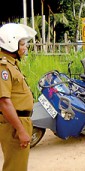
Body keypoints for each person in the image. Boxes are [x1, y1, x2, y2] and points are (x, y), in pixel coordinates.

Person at [0, 23, 37, 171]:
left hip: (19, 121)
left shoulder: (11, 64)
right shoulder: (3, 67)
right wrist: (21, 130)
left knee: (19, 166)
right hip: (14, 124)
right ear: (10, 44)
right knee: (15, 168)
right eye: (22, 44)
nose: (25, 47)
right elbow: (4, 102)